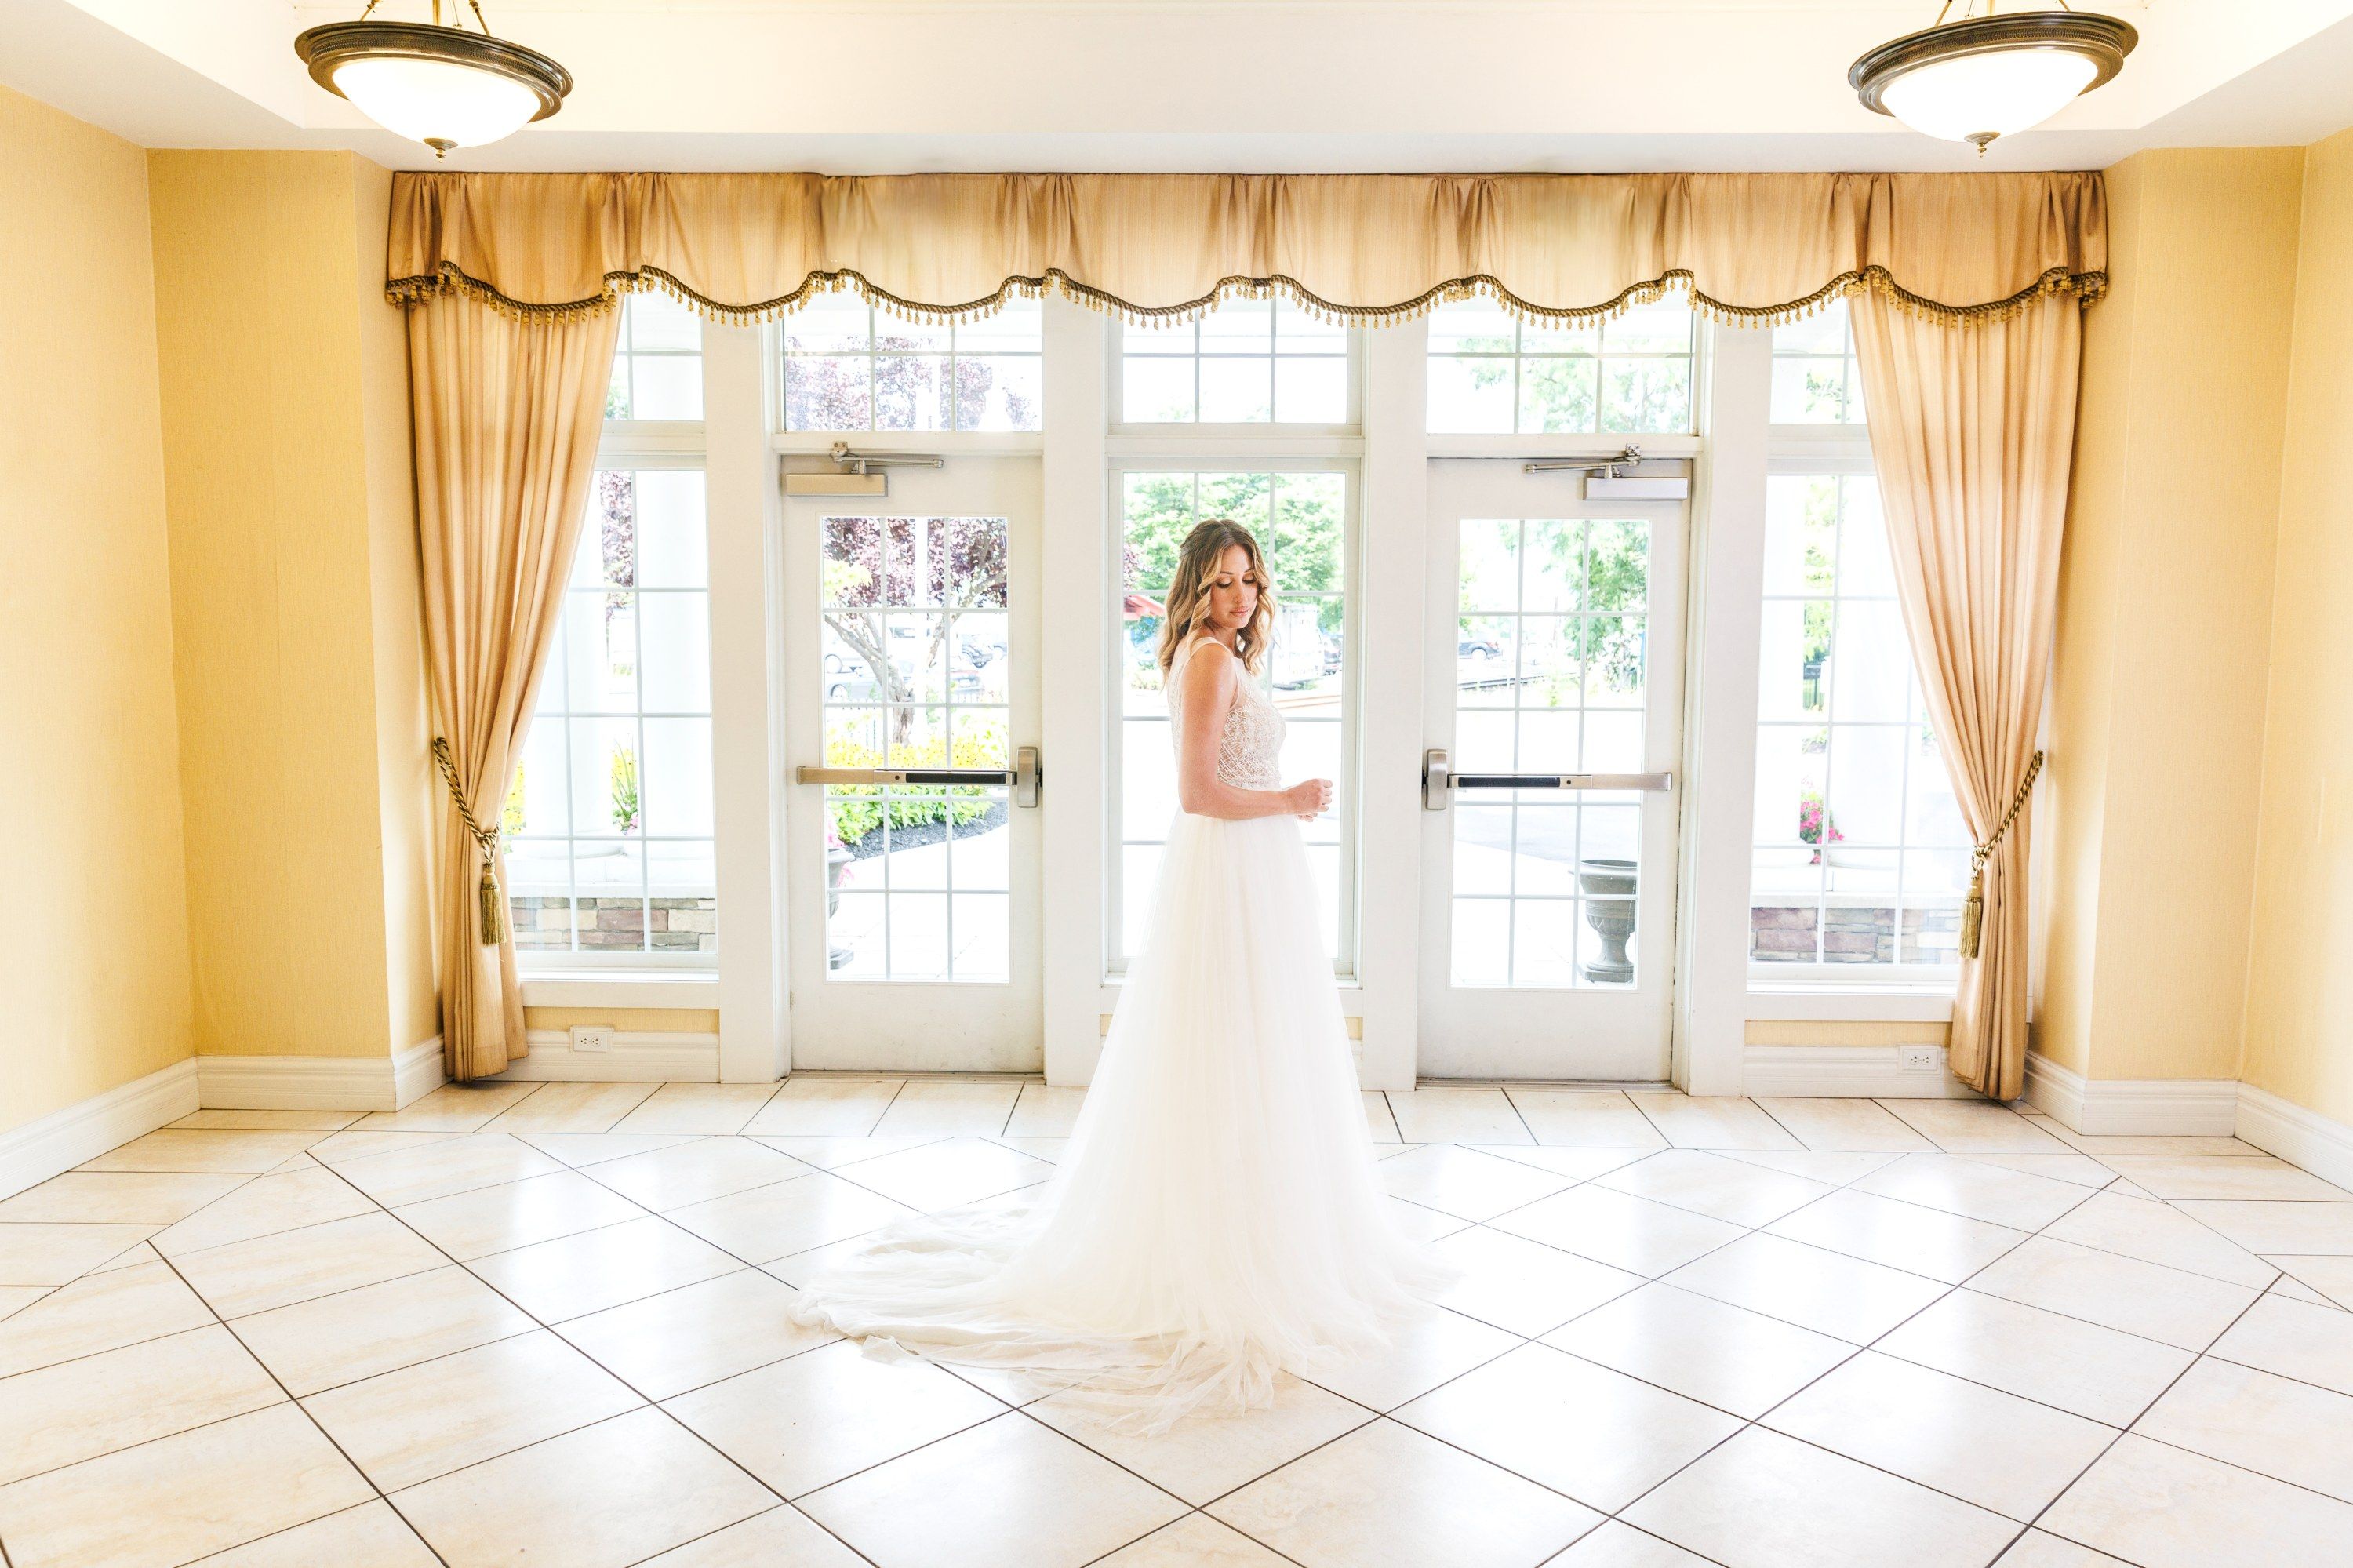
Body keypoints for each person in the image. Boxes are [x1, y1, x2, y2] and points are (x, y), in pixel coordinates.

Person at [787, 518, 1445, 1429]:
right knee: (1237, 1053)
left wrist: (1280, 810)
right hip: (1233, 861)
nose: (1239, 598)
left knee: (1251, 1058)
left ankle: (1252, 1229)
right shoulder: (1209, 661)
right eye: (1220, 583)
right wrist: (1290, 801)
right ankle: (1232, 1250)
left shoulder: (1214, 653)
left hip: (1249, 868)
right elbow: (1196, 791)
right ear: (1193, 589)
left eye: (1248, 580)